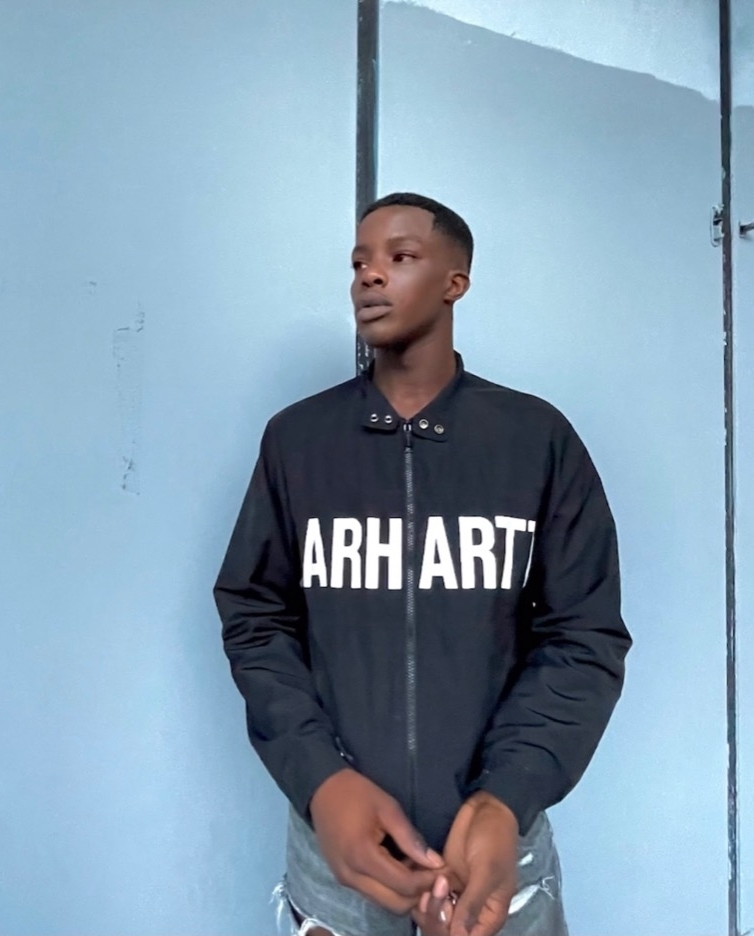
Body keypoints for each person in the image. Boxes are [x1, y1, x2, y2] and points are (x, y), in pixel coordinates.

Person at [214, 193, 631, 936]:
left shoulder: (535, 439)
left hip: (496, 849)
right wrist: (321, 781)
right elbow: (255, 619)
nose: (369, 276)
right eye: (359, 262)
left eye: (399, 257)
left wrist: (507, 795)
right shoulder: (297, 442)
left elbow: (582, 636)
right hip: (339, 859)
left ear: (454, 282)